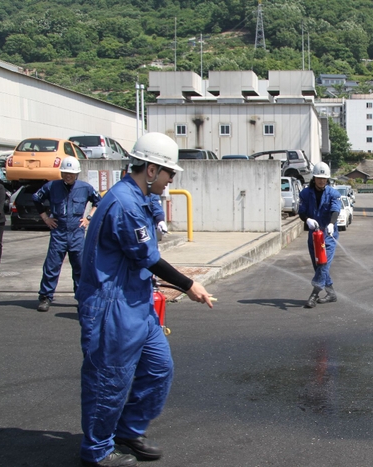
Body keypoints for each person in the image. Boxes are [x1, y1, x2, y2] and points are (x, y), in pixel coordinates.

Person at [76, 132, 213, 467]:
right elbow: (148, 257)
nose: (171, 181)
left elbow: (151, 206)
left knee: (158, 369)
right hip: (113, 306)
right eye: (169, 174)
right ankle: (97, 451)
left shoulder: (139, 195)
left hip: (137, 302)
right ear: (151, 170)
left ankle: (128, 431)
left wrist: (158, 212)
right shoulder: (124, 204)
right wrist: (188, 284)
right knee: (109, 380)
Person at [34, 156, 101, 312]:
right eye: (64, 172)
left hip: (77, 233)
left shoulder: (85, 188)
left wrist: (88, 218)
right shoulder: (52, 186)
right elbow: (36, 198)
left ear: (77, 173)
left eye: (71, 173)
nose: (67, 176)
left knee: (80, 267)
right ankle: (45, 297)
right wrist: (45, 218)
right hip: (59, 232)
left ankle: (82, 298)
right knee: (51, 266)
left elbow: (98, 201)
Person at [298, 162, 342, 308]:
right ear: (314, 178)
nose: (322, 181)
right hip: (314, 235)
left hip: (328, 235)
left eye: (324, 178)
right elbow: (301, 211)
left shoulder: (333, 193)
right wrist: (307, 219)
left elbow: (335, 210)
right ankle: (331, 293)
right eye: (319, 178)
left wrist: (331, 223)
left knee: (323, 264)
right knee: (319, 266)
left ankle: (314, 295)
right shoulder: (305, 193)